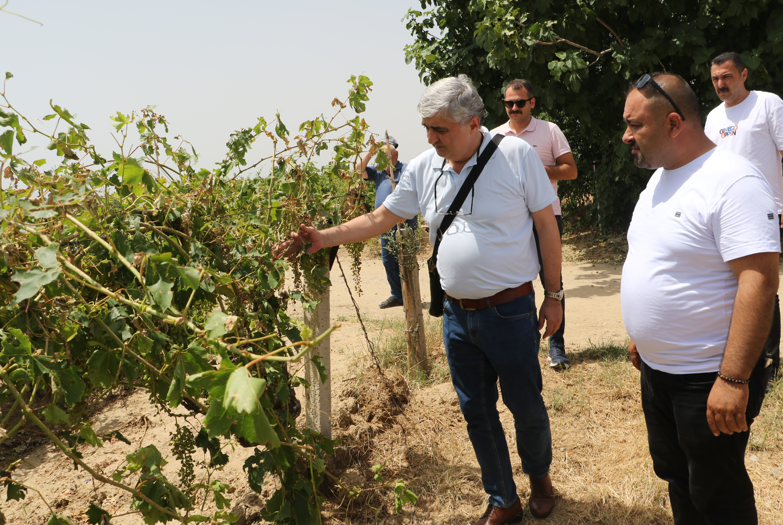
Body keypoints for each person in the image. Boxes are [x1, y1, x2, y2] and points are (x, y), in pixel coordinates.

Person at [278, 75, 564, 524]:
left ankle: (540, 477)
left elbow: (547, 227)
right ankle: (503, 499)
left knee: (525, 405)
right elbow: (381, 217)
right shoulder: (425, 168)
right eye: (426, 129)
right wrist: (323, 238)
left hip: (509, 312)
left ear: (472, 123)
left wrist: (555, 294)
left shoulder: (516, 157)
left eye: (440, 130)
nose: (431, 139)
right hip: (456, 316)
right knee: (476, 411)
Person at [621, 72, 780, 524]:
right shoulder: (659, 180)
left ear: (673, 123)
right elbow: (658, 262)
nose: (626, 135)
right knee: (677, 476)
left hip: (708, 377)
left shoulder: (733, 181)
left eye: (635, 125)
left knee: (718, 493)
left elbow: (760, 282)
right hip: (659, 372)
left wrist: (732, 380)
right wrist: (643, 336)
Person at [704, 51, 783, 381]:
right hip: (725, 215)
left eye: (727, 77)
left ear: (744, 74)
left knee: (763, 283)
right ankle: (741, 353)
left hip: (769, 210)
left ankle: (771, 359)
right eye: (715, 79)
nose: (721, 84)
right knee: (733, 285)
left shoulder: (768, 104)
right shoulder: (712, 118)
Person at [491, 79, 577, 370]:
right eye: (509, 103)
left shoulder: (550, 130)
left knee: (553, 283)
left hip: (546, 218)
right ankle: (520, 344)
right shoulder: (492, 136)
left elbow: (571, 170)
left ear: (532, 102)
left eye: (520, 102)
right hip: (509, 220)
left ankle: (557, 347)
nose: (514, 108)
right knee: (512, 282)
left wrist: (538, 169)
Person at [355, 136, 418, 309]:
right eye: (380, 157)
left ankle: (411, 295)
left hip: (405, 223)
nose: (383, 161)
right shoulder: (378, 173)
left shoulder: (406, 170)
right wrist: (370, 151)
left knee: (406, 258)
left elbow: (415, 193)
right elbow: (358, 169)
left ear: (396, 154)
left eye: (387, 157)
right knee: (388, 260)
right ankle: (397, 295)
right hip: (384, 224)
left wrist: (406, 212)